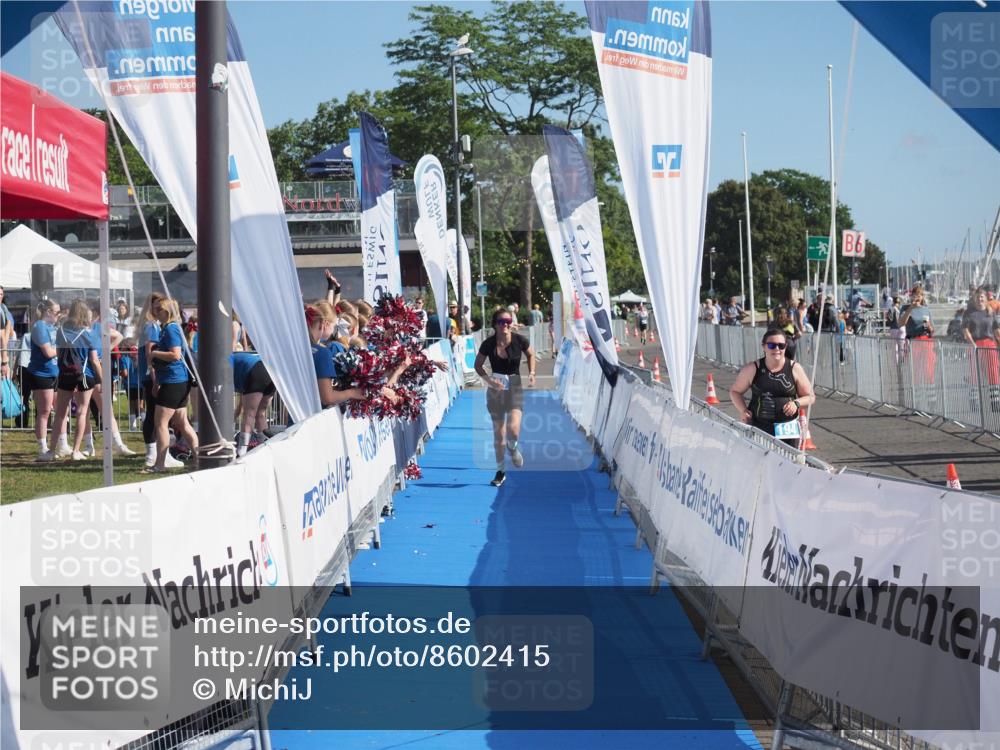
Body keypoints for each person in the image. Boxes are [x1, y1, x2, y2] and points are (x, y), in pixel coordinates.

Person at [475, 308, 537, 487]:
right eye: (501, 322)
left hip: (515, 386)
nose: (505, 325)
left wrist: (532, 373)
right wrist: (489, 381)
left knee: (514, 430)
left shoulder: (519, 340)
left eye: (508, 321)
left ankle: (513, 448)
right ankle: (500, 471)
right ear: (495, 324)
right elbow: (478, 365)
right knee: (499, 434)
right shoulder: (488, 343)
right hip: (495, 389)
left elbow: (531, 354)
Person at [728, 327, 816, 449]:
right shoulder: (753, 368)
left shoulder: (795, 368)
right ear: (764, 347)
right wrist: (743, 410)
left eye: (781, 345)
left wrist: (796, 403)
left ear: (785, 347)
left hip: (787, 428)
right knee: (760, 459)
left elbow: (810, 397)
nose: (777, 349)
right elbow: (735, 392)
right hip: (760, 426)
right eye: (771, 345)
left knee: (787, 459)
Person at [146, 298, 198, 472]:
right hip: (175, 381)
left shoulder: (171, 328)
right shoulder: (168, 328)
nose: (155, 312)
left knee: (161, 423)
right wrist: (157, 381)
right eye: (154, 309)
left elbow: (175, 355)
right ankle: (199, 459)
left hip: (174, 382)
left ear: (167, 311)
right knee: (183, 423)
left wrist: (154, 354)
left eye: (158, 309)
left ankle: (160, 464)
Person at [49, 300, 102, 460]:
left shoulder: (61, 331)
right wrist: (102, 380)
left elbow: (59, 353)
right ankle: (76, 450)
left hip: (65, 374)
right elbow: (94, 360)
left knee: (60, 413)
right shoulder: (88, 333)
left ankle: (51, 450)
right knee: (82, 411)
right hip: (84, 375)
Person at [306, 304, 364, 409]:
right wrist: (352, 393)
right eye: (334, 326)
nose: (334, 330)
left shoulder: (299, 350)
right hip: (312, 414)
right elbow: (328, 398)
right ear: (323, 325)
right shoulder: (322, 353)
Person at [27, 299, 61, 461]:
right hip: (41, 374)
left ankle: (61, 443)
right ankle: (42, 447)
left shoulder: (52, 327)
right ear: (48, 312)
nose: (58, 315)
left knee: (59, 410)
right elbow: (48, 352)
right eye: (57, 312)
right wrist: (63, 348)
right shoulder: (39, 327)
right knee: (44, 411)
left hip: (54, 372)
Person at [962, 287, 1000, 411]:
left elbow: (996, 330)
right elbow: (966, 331)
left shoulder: (990, 312)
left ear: (985, 298)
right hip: (975, 344)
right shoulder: (969, 313)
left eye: (982, 297)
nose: (980, 299)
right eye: (977, 297)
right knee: (974, 374)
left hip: (989, 344)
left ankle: (995, 402)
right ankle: (974, 402)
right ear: (974, 299)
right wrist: (973, 344)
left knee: (993, 373)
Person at [231, 351, 275, 457]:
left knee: (249, 415)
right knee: (260, 414)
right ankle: (264, 448)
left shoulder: (225, 363)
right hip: (271, 371)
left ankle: (241, 452)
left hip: (257, 371)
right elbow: (241, 405)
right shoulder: (237, 361)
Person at [899, 285, 936, 386]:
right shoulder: (905, 308)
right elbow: (901, 323)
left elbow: (933, 330)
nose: (917, 297)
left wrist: (929, 326)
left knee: (929, 367)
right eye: (915, 295)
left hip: (926, 340)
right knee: (915, 367)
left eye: (920, 295)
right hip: (913, 341)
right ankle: (916, 388)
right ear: (911, 296)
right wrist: (911, 308)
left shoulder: (926, 309)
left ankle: (930, 388)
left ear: (923, 297)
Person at [0, 286, 13, 380]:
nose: (0, 296)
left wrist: (4, 361)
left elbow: (3, 336)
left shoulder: (3, 308)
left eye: (1, 294)